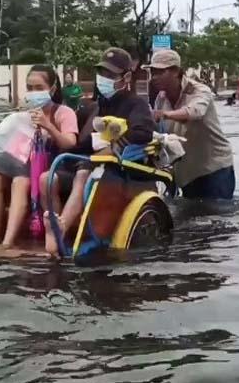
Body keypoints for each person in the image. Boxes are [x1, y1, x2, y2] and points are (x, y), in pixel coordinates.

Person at [40, 47, 155, 256]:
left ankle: (62, 226)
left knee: (83, 173)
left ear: (126, 77)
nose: (104, 79)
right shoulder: (94, 107)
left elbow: (144, 132)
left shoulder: (136, 104)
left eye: (110, 75)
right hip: (87, 162)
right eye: (101, 73)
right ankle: (51, 227)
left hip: (115, 171)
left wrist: (115, 146)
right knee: (47, 177)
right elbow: (82, 144)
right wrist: (53, 139)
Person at [0, 65, 79, 248]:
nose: (33, 93)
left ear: (52, 89)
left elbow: (70, 143)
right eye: (30, 88)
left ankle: (7, 243)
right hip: (27, 166)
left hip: (54, 167)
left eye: (39, 88)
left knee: (20, 181)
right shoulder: (24, 116)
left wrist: (48, 126)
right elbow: (15, 149)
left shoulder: (64, 113)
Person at [147, 49, 235, 200]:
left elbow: (194, 112)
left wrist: (164, 114)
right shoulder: (160, 99)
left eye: (160, 72)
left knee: (218, 217)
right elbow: (161, 134)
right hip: (187, 173)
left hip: (214, 168)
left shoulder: (199, 91)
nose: (154, 77)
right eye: (153, 72)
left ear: (175, 71)